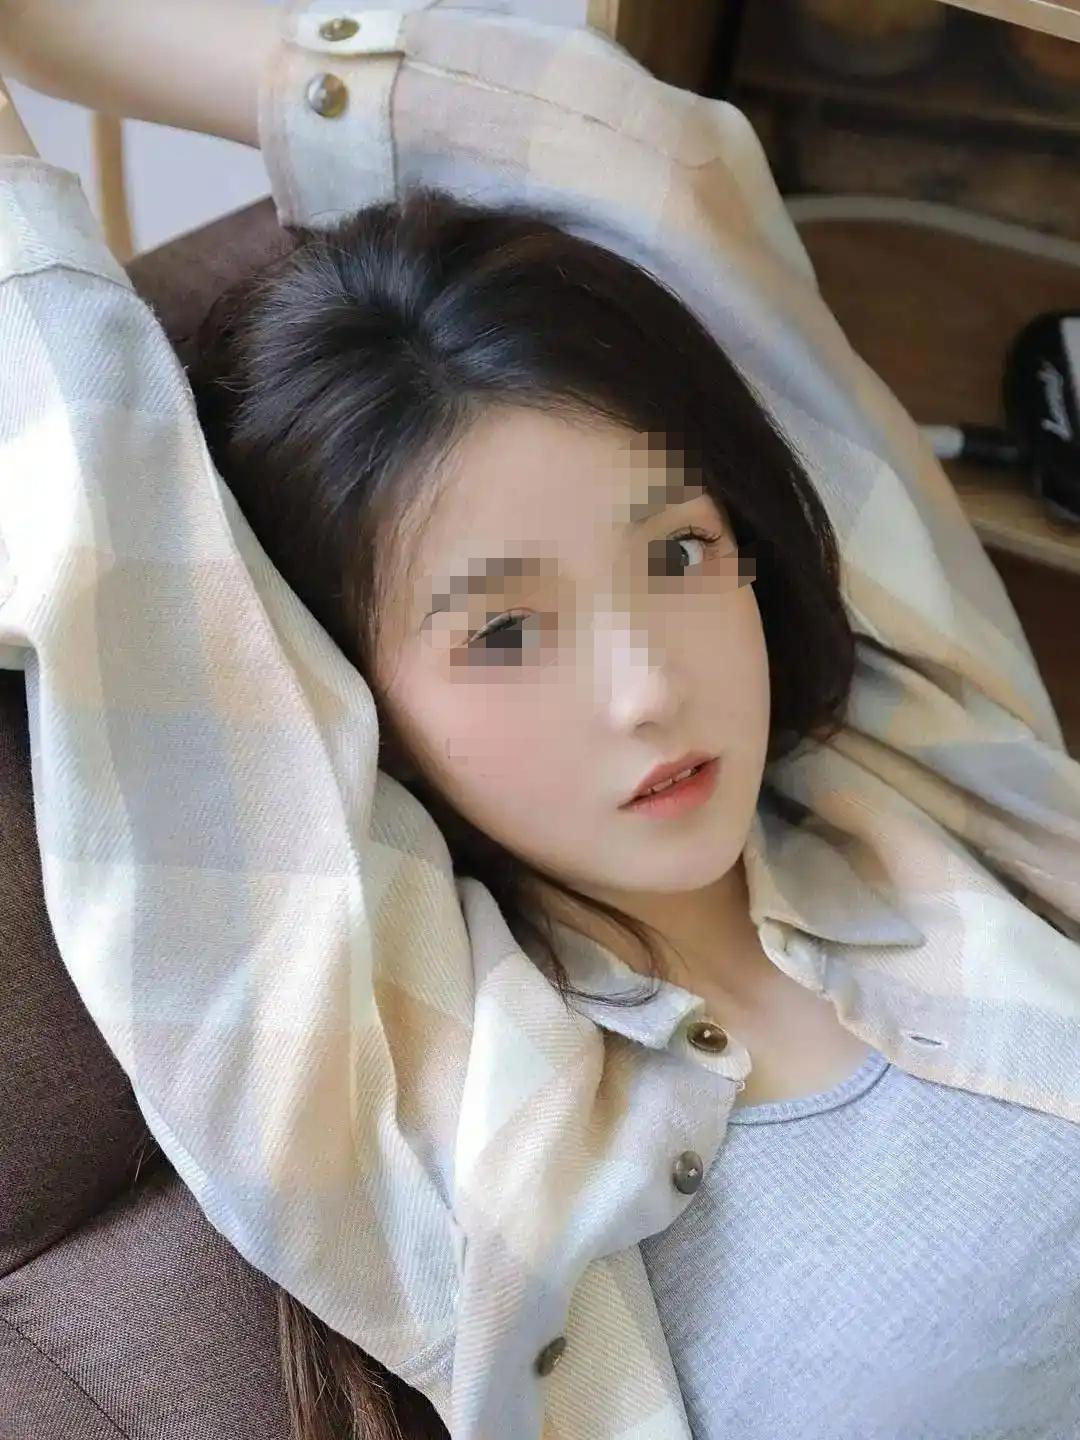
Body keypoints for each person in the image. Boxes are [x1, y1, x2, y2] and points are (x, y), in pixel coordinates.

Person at [2, 6, 1080, 1439]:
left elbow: (653, 170)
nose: (649, 689)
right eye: (505, 633)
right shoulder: (424, 1093)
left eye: (677, 552)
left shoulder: (929, 767)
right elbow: (108, 518)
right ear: (348, 696)